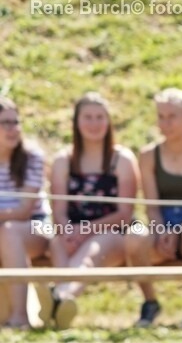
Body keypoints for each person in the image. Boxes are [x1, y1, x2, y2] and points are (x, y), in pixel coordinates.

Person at [125, 88, 182, 327]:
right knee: (134, 237)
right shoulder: (148, 156)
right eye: (161, 116)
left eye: (172, 116)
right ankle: (150, 303)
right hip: (162, 230)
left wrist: (178, 232)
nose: (165, 123)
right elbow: (152, 206)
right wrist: (161, 230)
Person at [46, 93, 139, 329]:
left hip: (115, 233)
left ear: (108, 122)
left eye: (100, 117)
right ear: (76, 122)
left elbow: (124, 213)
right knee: (57, 244)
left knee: (90, 251)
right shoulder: (62, 161)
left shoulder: (123, 159)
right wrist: (68, 231)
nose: (94, 123)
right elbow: (58, 209)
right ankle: (59, 313)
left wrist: (86, 230)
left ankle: (60, 298)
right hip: (72, 232)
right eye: (87, 117)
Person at [0, 97, 52, 329]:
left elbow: (23, 211)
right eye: (4, 123)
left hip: (37, 227)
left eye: (15, 122)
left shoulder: (33, 158)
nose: (13, 129)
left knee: (10, 233)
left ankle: (21, 317)